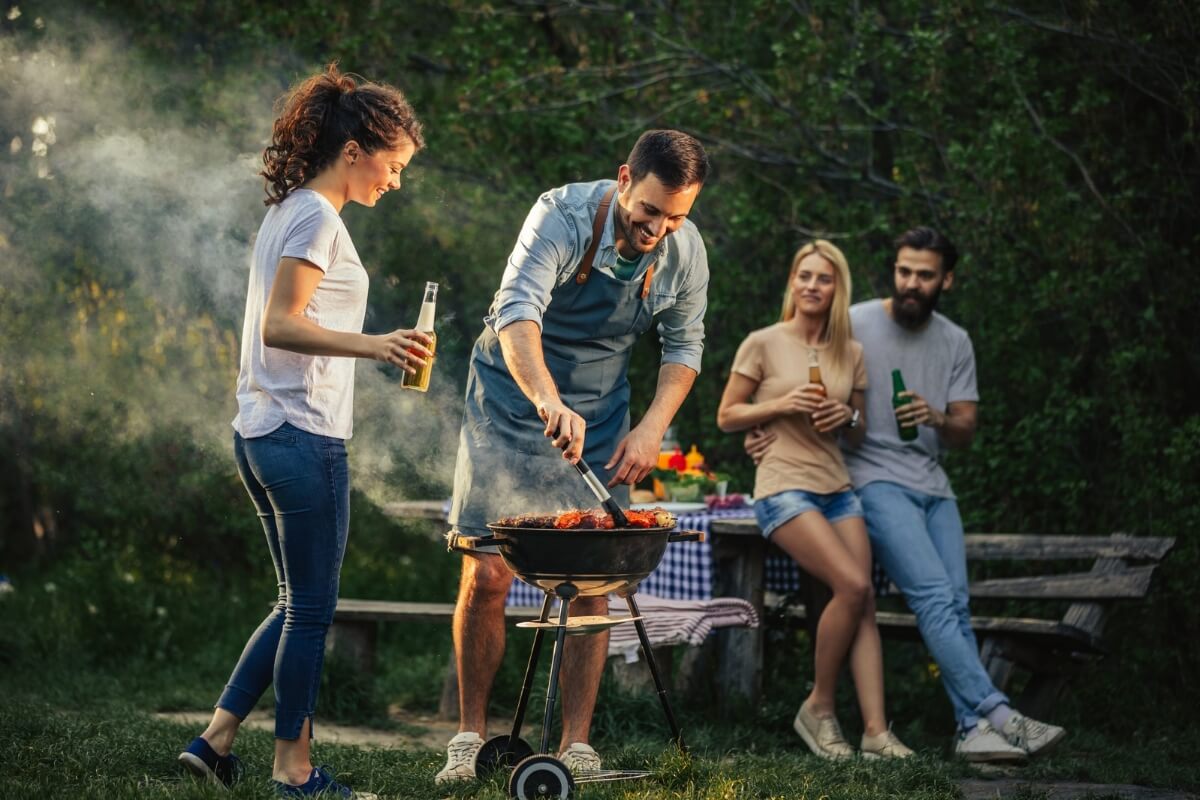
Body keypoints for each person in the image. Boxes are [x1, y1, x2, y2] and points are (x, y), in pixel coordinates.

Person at [176, 65, 432, 799]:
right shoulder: (317, 216)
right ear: (355, 150)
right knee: (313, 609)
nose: (397, 180)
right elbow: (281, 323)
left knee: (294, 603)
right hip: (300, 434)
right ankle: (295, 772)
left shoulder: (291, 208)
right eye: (395, 165)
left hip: (261, 429)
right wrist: (378, 344)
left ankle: (215, 739)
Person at [437, 130, 710, 783]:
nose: (659, 229)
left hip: (604, 411)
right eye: (650, 211)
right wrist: (547, 401)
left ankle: (577, 745)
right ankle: (470, 736)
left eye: (676, 217)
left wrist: (648, 429)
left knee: (595, 576)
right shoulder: (557, 215)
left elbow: (684, 349)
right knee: (489, 574)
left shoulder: (684, 251)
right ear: (623, 179)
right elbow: (516, 316)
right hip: (508, 400)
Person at [747, 227, 1065, 762]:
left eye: (924, 274)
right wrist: (768, 431)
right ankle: (1001, 713)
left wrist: (937, 416)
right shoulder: (856, 322)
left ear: (947, 279)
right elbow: (793, 358)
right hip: (872, 480)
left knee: (955, 604)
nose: (911, 283)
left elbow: (964, 430)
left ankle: (971, 728)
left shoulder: (955, 340)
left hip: (934, 484)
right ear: (894, 270)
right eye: (904, 271)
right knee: (934, 598)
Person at [717, 241, 914, 760]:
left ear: (836, 289)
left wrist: (843, 417)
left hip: (837, 486)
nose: (811, 286)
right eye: (804, 276)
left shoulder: (850, 352)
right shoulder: (762, 342)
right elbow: (727, 415)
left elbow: (858, 431)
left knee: (863, 600)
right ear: (792, 282)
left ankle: (875, 732)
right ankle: (819, 707)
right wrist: (781, 405)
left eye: (823, 279)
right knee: (850, 584)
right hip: (783, 486)